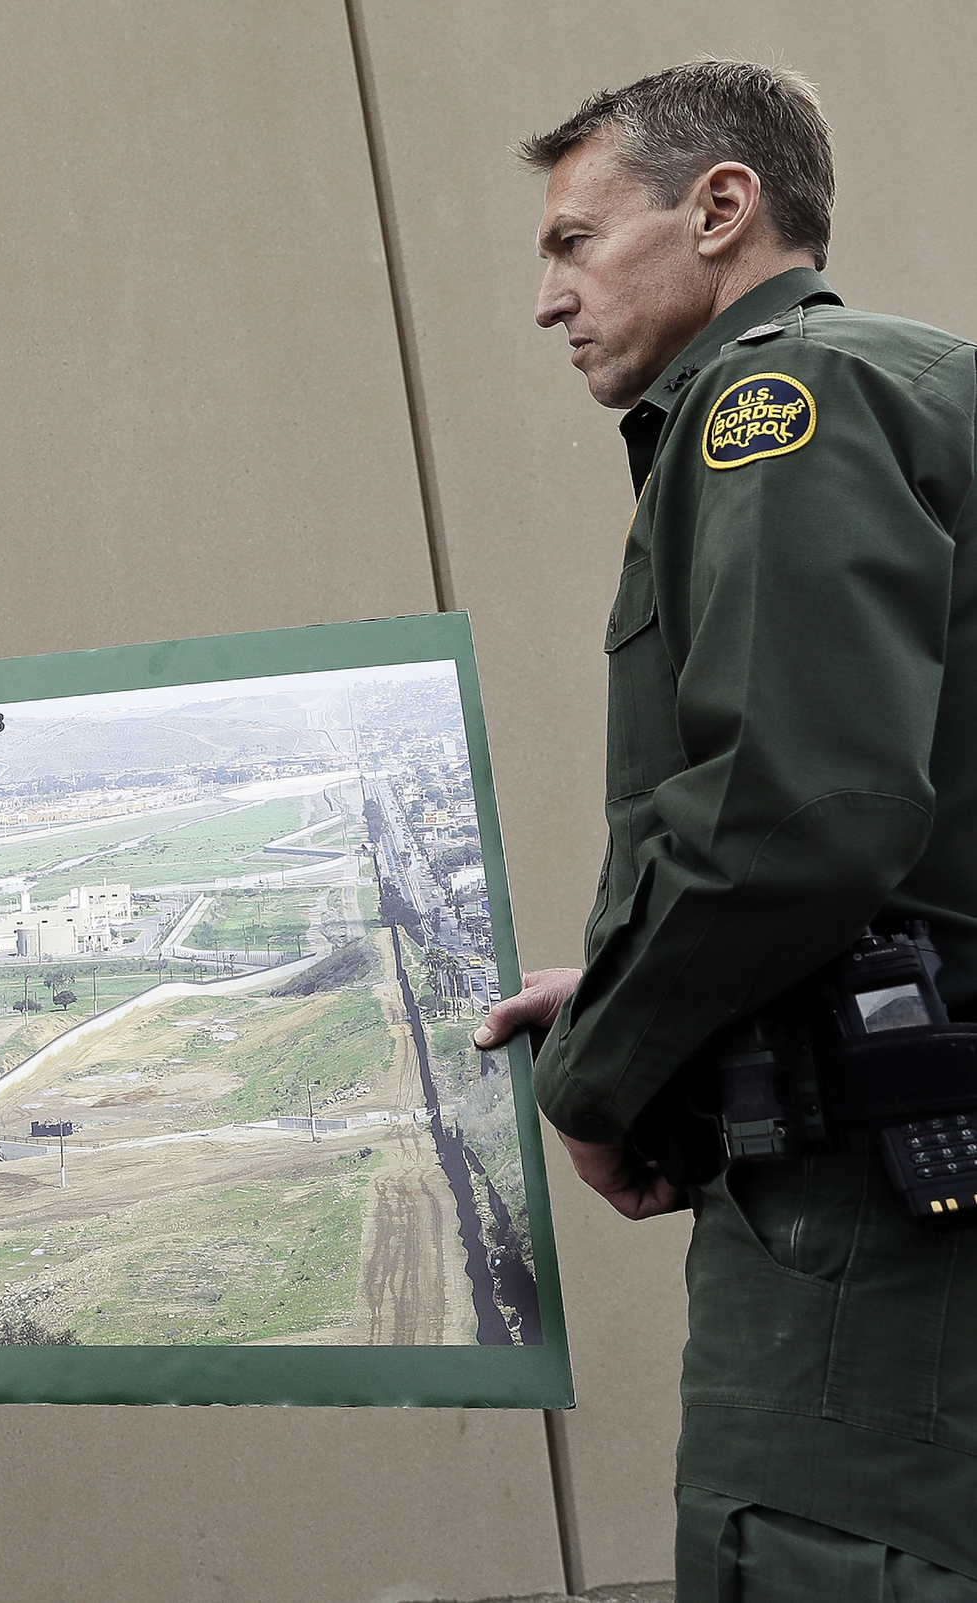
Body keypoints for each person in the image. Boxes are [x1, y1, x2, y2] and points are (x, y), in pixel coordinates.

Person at [476, 62, 977, 1598]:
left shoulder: (784, 402)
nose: (549, 298)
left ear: (720, 208)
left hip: (872, 1239)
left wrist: (602, 1063)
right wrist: (638, 969)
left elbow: (797, 818)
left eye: (573, 241)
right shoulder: (925, 380)